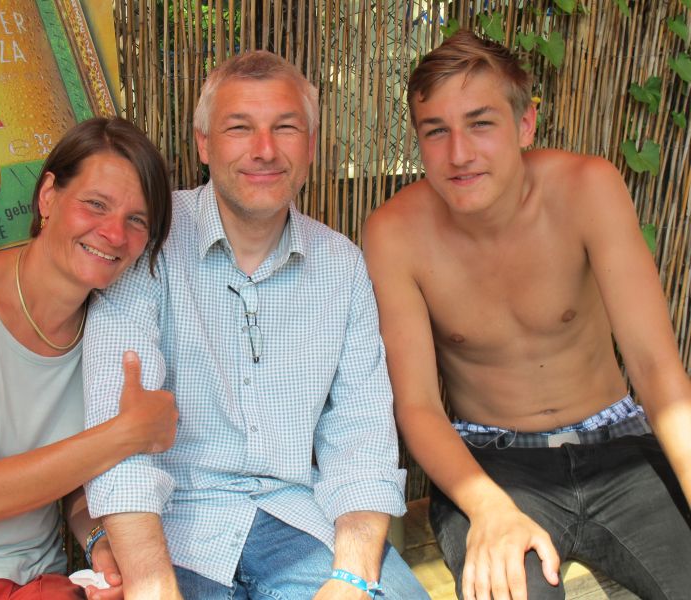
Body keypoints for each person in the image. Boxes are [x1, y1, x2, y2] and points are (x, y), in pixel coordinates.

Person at [83, 51, 430, 599]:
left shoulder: (341, 266)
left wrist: (350, 576)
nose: (264, 150)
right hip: (171, 529)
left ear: (310, 146)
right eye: (239, 128)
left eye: (285, 128)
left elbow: (361, 436)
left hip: (297, 524)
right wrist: (151, 585)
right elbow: (117, 439)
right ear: (204, 144)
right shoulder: (147, 242)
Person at [363, 29, 691, 600]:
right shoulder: (395, 233)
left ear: (525, 124)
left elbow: (655, 367)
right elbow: (417, 404)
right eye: (436, 131)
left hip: (621, 448)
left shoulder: (588, 188)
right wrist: (488, 508)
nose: (459, 153)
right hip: (494, 466)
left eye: (481, 123)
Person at [0, 117, 178, 600]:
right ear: (48, 196)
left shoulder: (108, 326)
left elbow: (70, 480)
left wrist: (100, 542)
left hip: (40, 581)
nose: (114, 232)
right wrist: (128, 433)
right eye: (96, 204)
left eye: (137, 220)